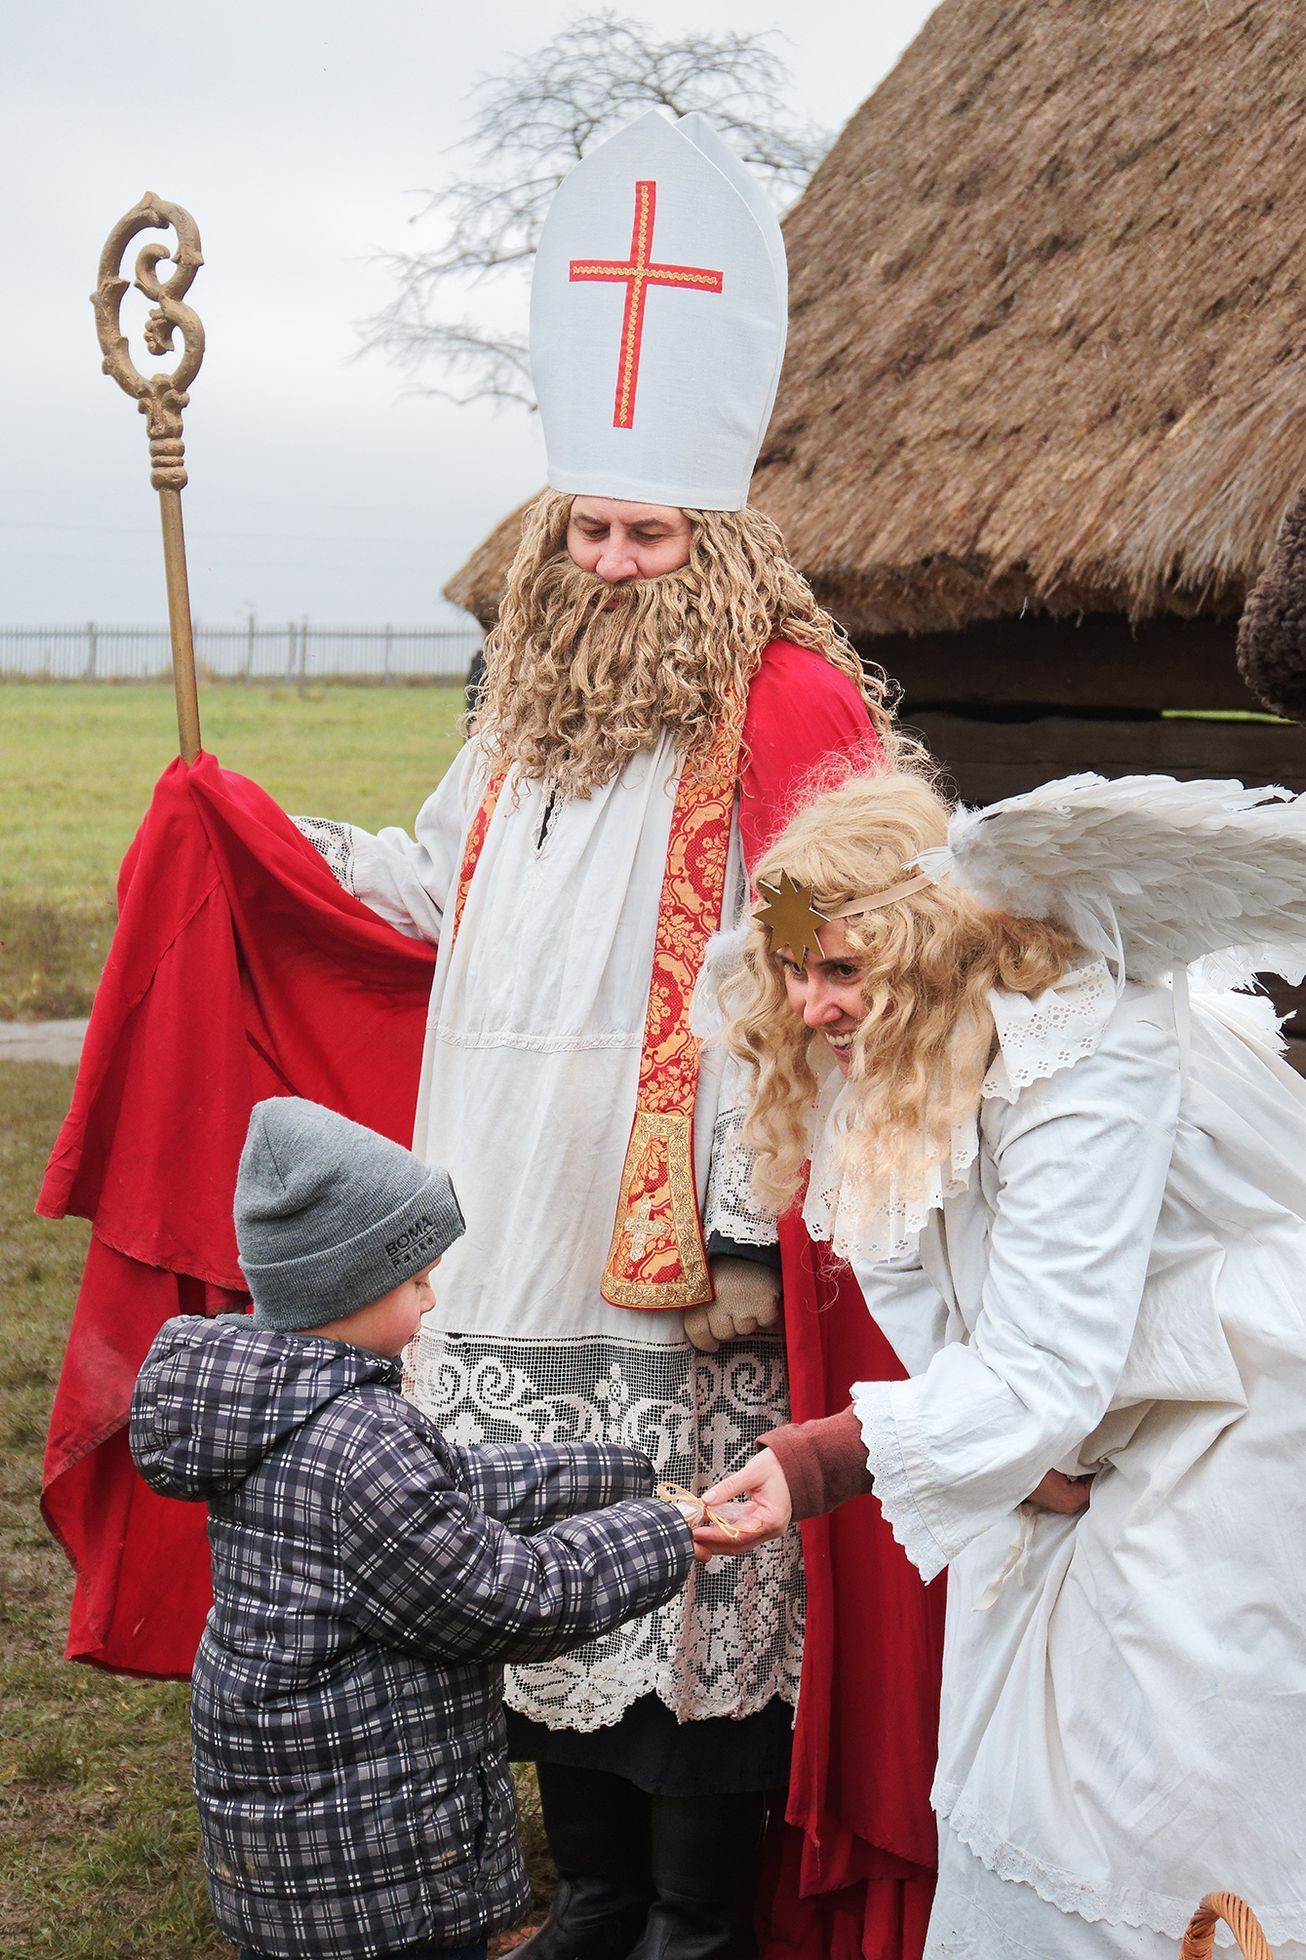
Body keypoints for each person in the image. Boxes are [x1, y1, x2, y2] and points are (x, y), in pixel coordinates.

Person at [297, 110, 944, 1960]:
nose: (614, 559)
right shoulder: (515, 712)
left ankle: (687, 1911)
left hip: (671, 1252)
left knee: (685, 1553)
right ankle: (584, 1888)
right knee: (532, 1559)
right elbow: (427, 888)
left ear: (715, 533)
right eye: (587, 527)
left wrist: (748, 1217)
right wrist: (253, 840)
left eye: (649, 528)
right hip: (498, 1214)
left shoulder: (791, 704)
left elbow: (846, 947)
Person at [692, 763, 1306, 1958]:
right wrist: (1017, 1465)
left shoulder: (1085, 1049)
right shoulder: (874, 1049)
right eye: (792, 968)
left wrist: (830, 1459)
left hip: (1234, 1404)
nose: (808, 1004)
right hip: (1070, 1415)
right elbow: (923, 1295)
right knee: (1018, 1771)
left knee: (1164, 1771)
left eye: (839, 969)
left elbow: (1043, 1359)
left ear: (923, 949)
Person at [129, 1097, 697, 1960]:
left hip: (296, 1847)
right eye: (417, 1279)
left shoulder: (277, 1412)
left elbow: (449, 1490)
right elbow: (509, 1600)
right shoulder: (364, 1440)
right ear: (348, 1286)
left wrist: (613, 1470)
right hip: (379, 1868)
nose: (432, 1298)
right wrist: (661, 1533)